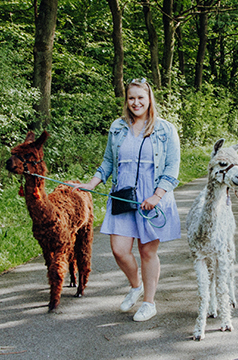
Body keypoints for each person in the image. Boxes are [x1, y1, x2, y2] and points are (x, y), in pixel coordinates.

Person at [75, 78, 181, 322]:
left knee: (147, 251)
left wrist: (157, 196)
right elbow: (108, 162)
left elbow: (172, 168)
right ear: (126, 100)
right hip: (123, 195)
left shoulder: (166, 129)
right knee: (119, 250)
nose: (136, 102)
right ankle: (136, 286)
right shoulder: (118, 127)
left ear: (149, 99)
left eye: (140, 97)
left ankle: (149, 302)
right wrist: (91, 184)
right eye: (131, 98)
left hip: (152, 197)